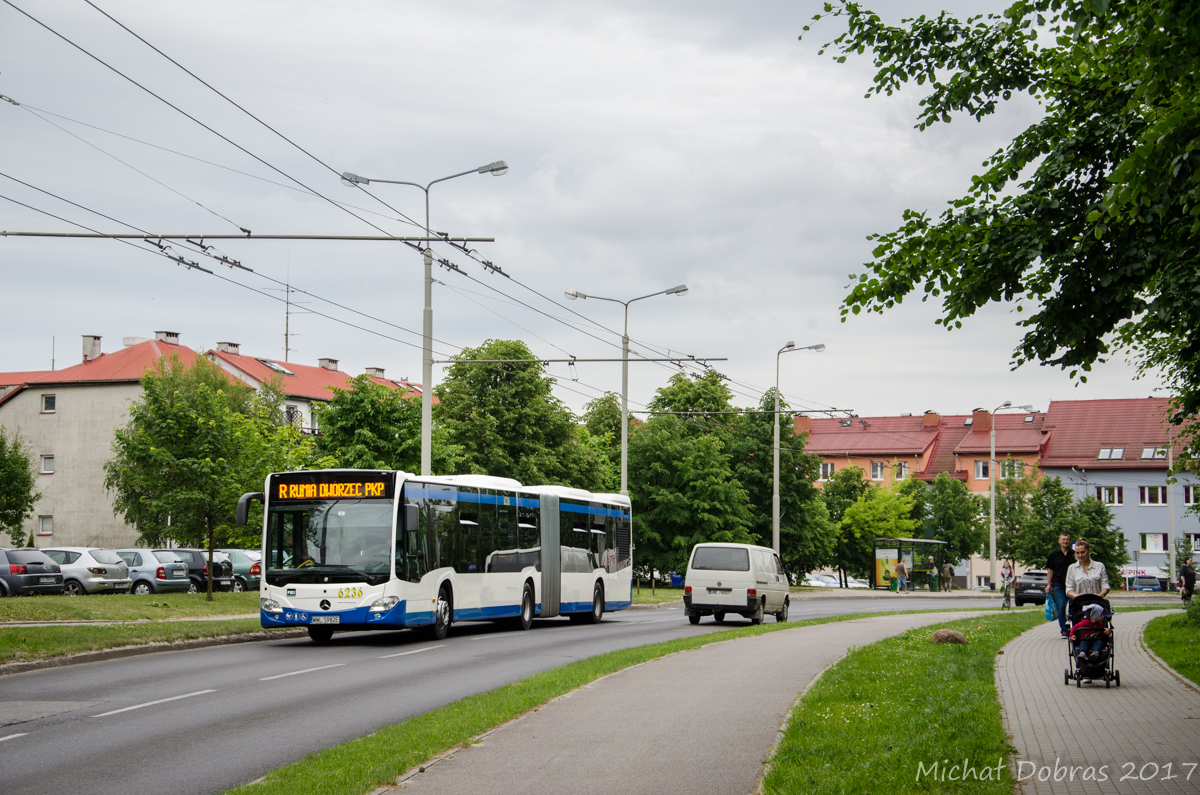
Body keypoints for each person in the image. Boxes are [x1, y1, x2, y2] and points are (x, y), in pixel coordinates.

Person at [1045, 533, 1076, 638]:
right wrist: (1049, 584)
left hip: (1072, 585)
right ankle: (1064, 630)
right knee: (1061, 606)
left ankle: (1074, 628)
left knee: (1073, 607)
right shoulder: (1054, 554)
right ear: (1059, 541)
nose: (1065, 541)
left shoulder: (1074, 554)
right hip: (1058, 584)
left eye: (1067, 540)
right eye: (1063, 539)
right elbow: (1050, 570)